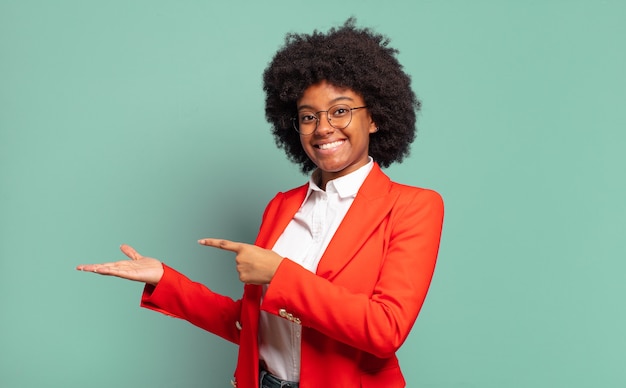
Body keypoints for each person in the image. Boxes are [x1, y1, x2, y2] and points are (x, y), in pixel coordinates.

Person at [77, 18, 444, 388]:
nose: (322, 128)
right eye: (308, 117)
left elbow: (385, 330)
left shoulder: (414, 207)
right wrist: (166, 281)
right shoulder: (282, 207)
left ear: (376, 118)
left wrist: (279, 273)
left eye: (340, 110)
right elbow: (255, 326)